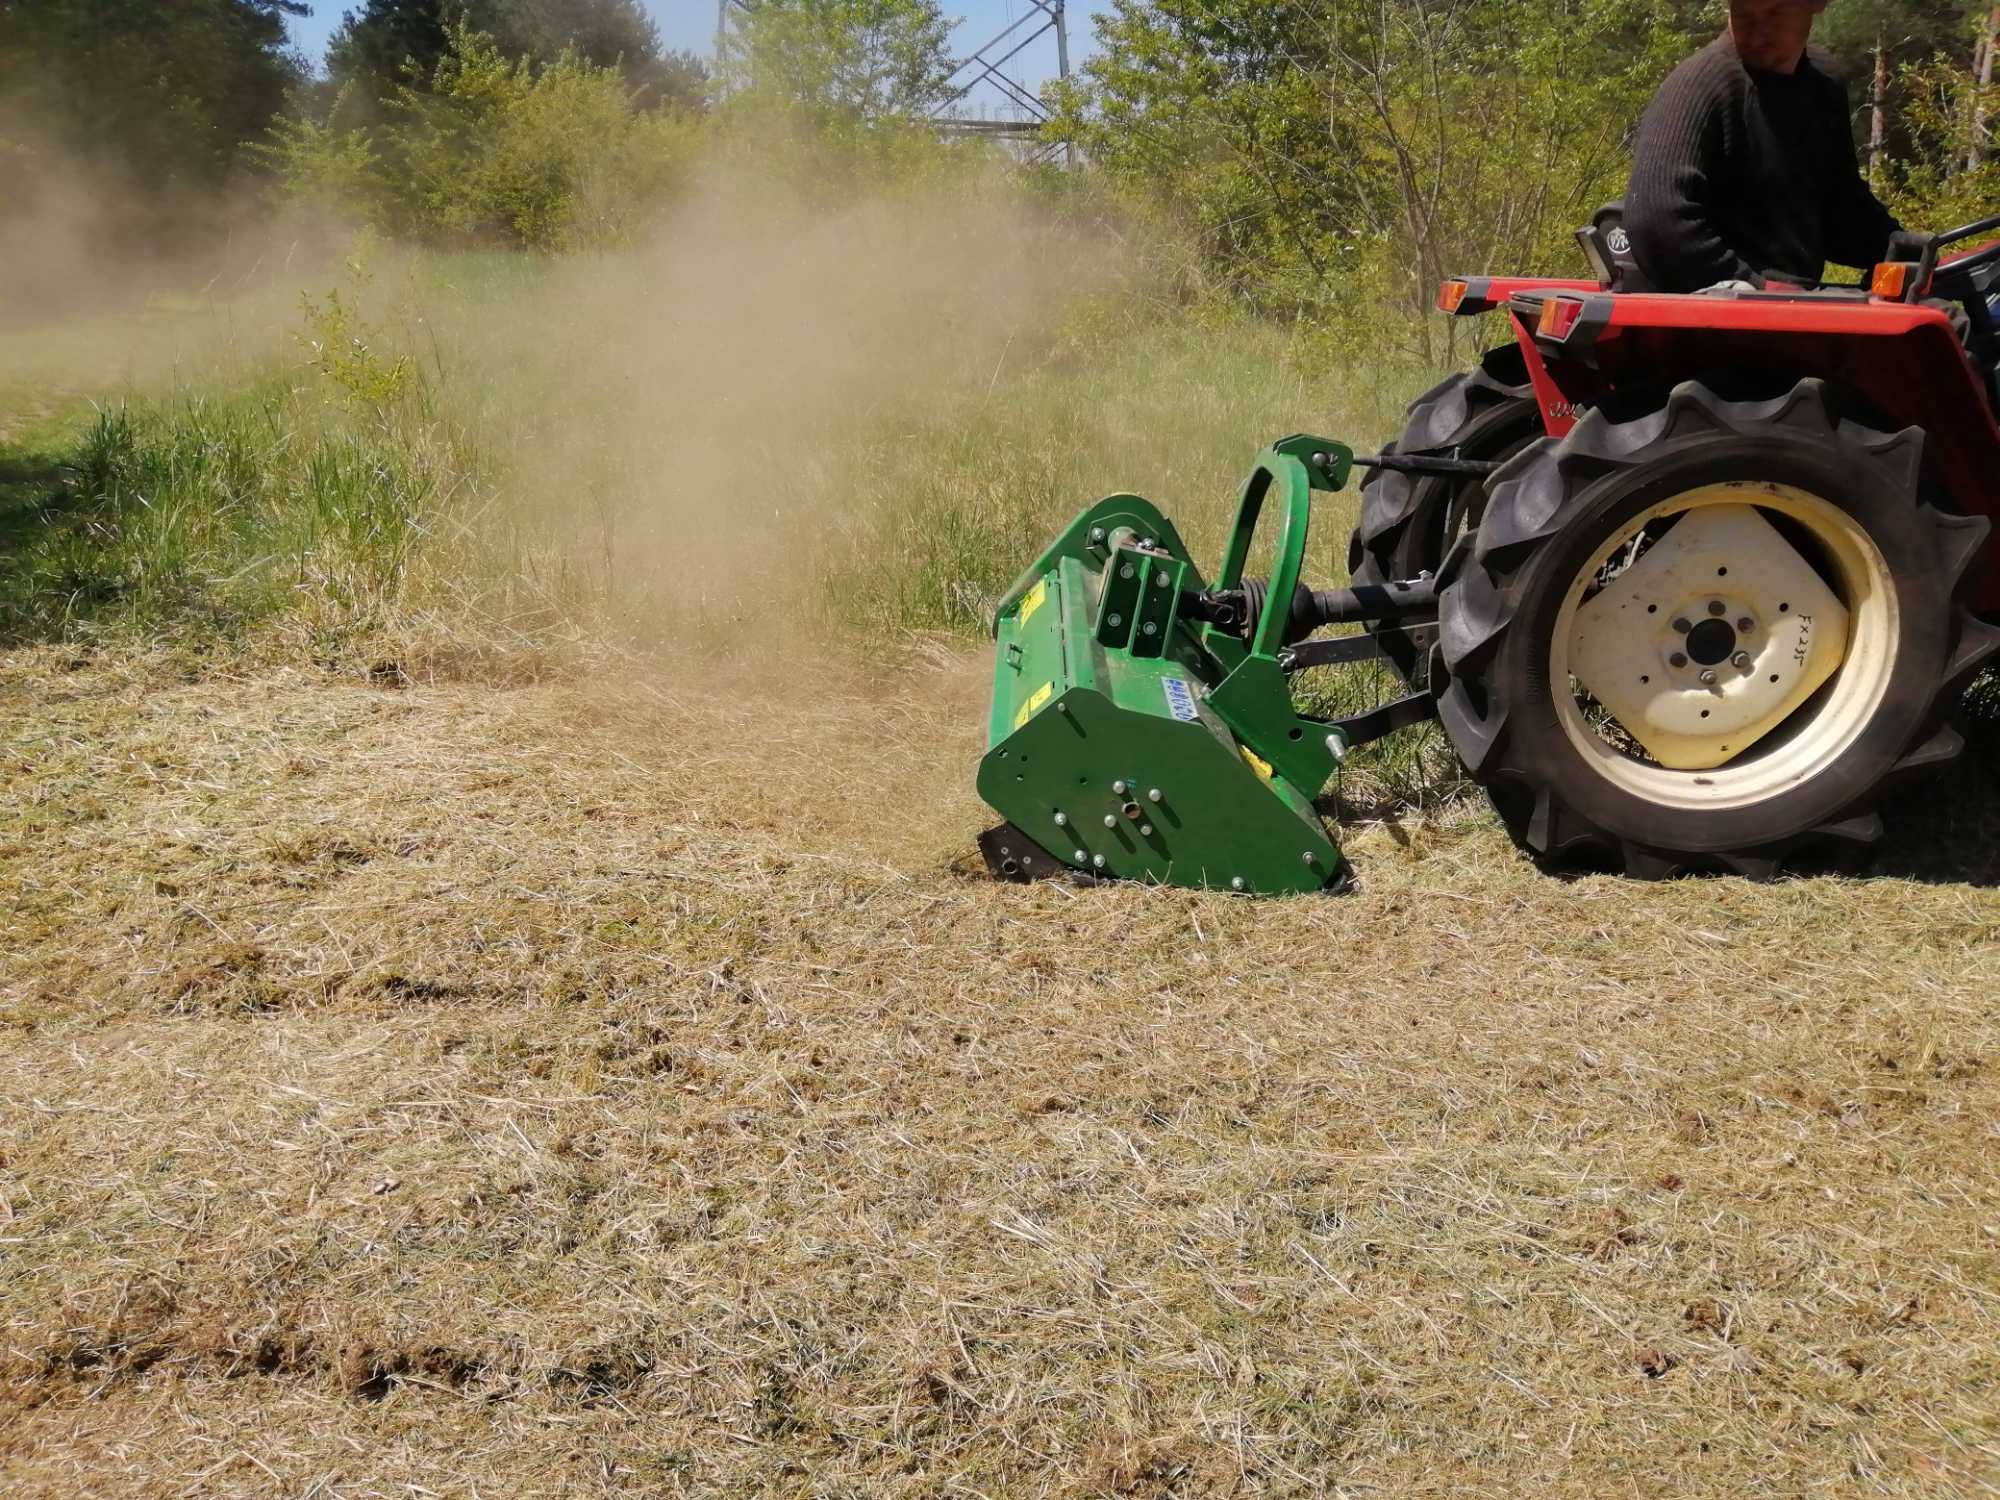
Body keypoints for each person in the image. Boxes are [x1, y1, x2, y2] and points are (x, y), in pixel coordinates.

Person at [1624, 0, 1900, 293]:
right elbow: (1654, 222)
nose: (1757, 35)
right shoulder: (1702, 85)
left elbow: (1839, 211)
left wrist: (1903, 250)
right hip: (1731, 317)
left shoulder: (1822, 84)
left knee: (1936, 312)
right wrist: (1755, 286)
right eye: (1743, 15)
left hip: (1795, 307)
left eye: (1775, 12)